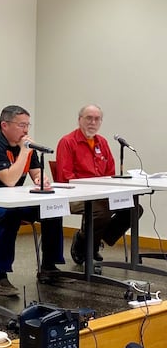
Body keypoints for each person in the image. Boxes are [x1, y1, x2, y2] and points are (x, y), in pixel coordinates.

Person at [0, 105, 65, 296]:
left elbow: (36, 174)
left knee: (52, 208)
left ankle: (49, 266)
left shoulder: (25, 147)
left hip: (12, 203)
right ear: (5, 125)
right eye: (21, 125)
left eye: (28, 125)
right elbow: (10, 180)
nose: (26, 130)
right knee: (10, 215)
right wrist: (24, 152)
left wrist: (41, 179)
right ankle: (0, 276)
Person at [55, 104, 143, 264]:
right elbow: (65, 176)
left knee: (134, 208)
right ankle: (90, 245)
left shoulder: (102, 142)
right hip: (73, 195)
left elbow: (110, 173)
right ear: (79, 120)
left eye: (97, 119)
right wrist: (93, 191)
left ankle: (88, 241)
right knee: (101, 211)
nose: (93, 122)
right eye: (89, 118)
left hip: (101, 195)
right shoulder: (67, 142)